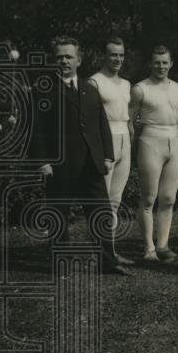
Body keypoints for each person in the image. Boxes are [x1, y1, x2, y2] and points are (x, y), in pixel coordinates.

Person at [31, 36, 131, 275]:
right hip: (60, 164)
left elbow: (101, 124)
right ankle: (60, 263)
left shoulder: (89, 88)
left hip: (90, 163)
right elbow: (35, 129)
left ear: (79, 59)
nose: (64, 61)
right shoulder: (44, 90)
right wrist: (43, 161)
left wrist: (107, 155)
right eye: (59, 57)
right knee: (58, 214)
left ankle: (107, 262)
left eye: (69, 56)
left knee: (101, 213)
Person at [129, 46, 178, 261]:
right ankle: (149, 248)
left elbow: (176, 118)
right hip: (150, 141)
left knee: (169, 198)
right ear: (150, 64)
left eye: (165, 62)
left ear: (171, 64)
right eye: (157, 62)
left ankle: (163, 245)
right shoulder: (140, 89)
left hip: (173, 141)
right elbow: (130, 121)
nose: (161, 66)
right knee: (149, 198)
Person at [87, 37, 133, 230]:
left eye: (121, 55)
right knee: (102, 199)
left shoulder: (126, 83)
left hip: (125, 141)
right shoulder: (94, 82)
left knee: (115, 199)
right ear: (104, 56)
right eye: (113, 54)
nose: (117, 59)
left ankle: (110, 253)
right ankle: (101, 253)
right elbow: (90, 120)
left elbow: (127, 117)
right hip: (106, 141)